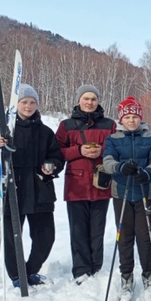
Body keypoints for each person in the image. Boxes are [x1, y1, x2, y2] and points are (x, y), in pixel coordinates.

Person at [0, 83, 64, 287]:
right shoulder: (1, 129)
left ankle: (29, 271)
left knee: (45, 237)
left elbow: (57, 158)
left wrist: (51, 167)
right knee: (11, 239)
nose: (28, 106)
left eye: (32, 102)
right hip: (9, 190)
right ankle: (17, 277)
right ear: (16, 104)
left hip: (39, 191)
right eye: (24, 102)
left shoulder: (45, 132)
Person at [102, 96, 151, 292]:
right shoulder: (113, 138)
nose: (131, 120)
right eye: (127, 117)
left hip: (144, 193)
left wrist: (148, 172)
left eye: (135, 117)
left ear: (140, 118)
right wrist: (120, 167)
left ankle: (148, 272)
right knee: (124, 235)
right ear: (121, 118)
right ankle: (126, 274)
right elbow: (107, 161)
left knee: (144, 235)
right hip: (121, 193)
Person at [55, 84, 117, 283]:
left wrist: (102, 152)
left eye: (93, 99)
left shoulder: (109, 124)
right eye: (86, 98)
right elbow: (57, 152)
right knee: (78, 229)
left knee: (97, 228)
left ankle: (96, 266)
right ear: (79, 100)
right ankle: (81, 269)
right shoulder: (66, 125)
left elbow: (116, 148)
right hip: (76, 184)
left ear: (98, 101)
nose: (90, 102)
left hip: (101, 183)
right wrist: (79, 151)